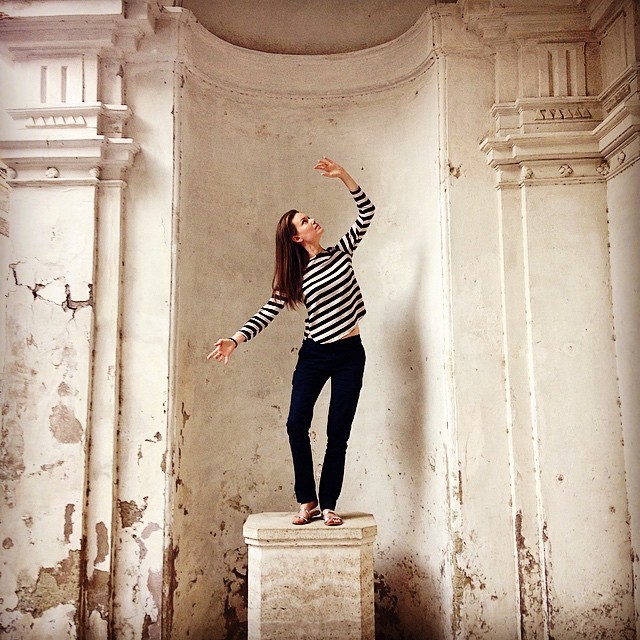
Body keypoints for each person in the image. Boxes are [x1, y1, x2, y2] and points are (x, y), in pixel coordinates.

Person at [207, 157, 375, 526]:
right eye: (304, 221)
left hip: (350, 354)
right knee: (296, 424)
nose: (312, 220)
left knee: (338, 432)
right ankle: (307, 500)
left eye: (309, 217)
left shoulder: (341, 252)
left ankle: (328, 503)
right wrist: (234, 340)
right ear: (297, 238)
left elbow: (367, 212)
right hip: (314, 355)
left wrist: (343, 176)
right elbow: (266, 312)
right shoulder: (295, 277)